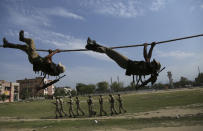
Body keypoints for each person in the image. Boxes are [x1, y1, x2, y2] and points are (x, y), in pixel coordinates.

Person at [85, 38, 161, 87]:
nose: (152, 62)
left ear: (154, 66)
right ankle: (94, 45)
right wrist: (150, 47)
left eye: (154, 63)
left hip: (126, 63)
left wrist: (147, 47)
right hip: (126, 63)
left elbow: (147, 57)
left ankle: (91, 47)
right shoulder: (149, 69)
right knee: (109, 51)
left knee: (109, 51)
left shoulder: (149, 68)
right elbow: (148, 58)